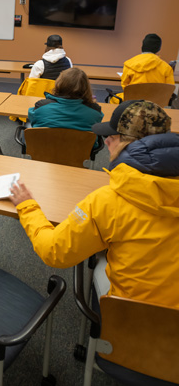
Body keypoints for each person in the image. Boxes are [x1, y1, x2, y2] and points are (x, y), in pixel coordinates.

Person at [10, 100, 179, 308]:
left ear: (131, 144)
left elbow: (53, 251)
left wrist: (27, 206)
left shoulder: (107, 201)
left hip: (132, 318)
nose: (106, 141)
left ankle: (96, 338)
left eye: (113, 137)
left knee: (98, 259)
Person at [28, 68, 103, 132]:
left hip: (44, 147)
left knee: (29, 126)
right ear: (86, 88)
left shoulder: (41, 106)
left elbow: (32, 116)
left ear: (59, 83)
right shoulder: (95, 111)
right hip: (80, 148)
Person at [109, 33, 175, 103]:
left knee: (114, 99)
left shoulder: (129, 64)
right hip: (155, 103)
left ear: (142, 46)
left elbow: (125, 86)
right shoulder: (166, 67)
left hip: (132, 102)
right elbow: (169, 90)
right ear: (158, 49)